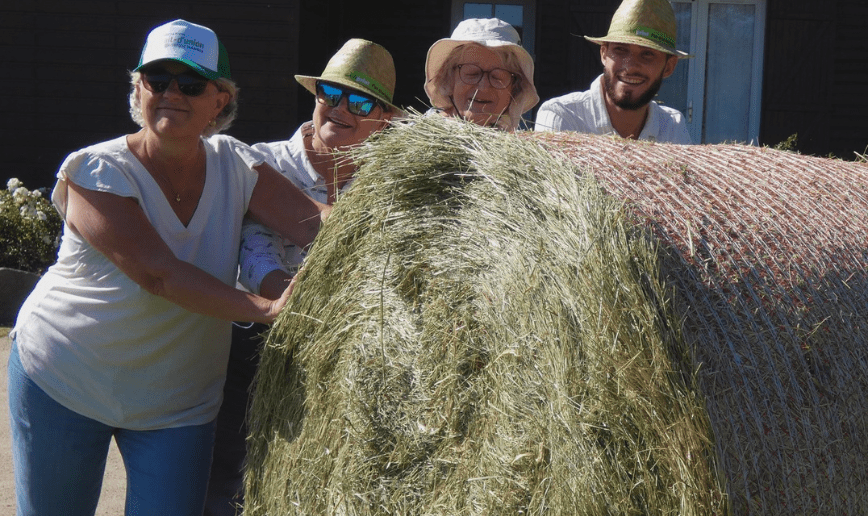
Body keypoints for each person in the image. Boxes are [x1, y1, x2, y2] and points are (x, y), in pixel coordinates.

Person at [8, 19, 329, 515]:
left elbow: (319, 225)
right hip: (66, 379)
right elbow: (157, 272)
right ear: (138, 90)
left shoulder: (237, 165)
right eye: (157, 80)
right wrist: (267, 307)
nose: (171, 93)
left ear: (219, 100)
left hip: (178, 405)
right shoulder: (97, 169)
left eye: (191, 83)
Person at [204, 38, 398, 516]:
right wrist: (290, 305)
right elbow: (254, 246)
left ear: (385, 120)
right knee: (233, 474)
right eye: (330, 93)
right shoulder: (264, 160)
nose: (339, 108)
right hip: (257, 336)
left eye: (359, 101)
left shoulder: (388, 181)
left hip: (346, 346)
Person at [534, 0, 692, 144]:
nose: (630, 67)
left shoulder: (673, 126)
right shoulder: (562, 118)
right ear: (604, 54)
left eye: (647, 54)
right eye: (621, 50)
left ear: (669, 67)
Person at [424, 17, 539, 132]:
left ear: (514, 89)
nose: (483, 86)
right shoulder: (423, 134)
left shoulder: (518, 146)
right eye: (472, 73)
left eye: (497, 77)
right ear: (449, 79)